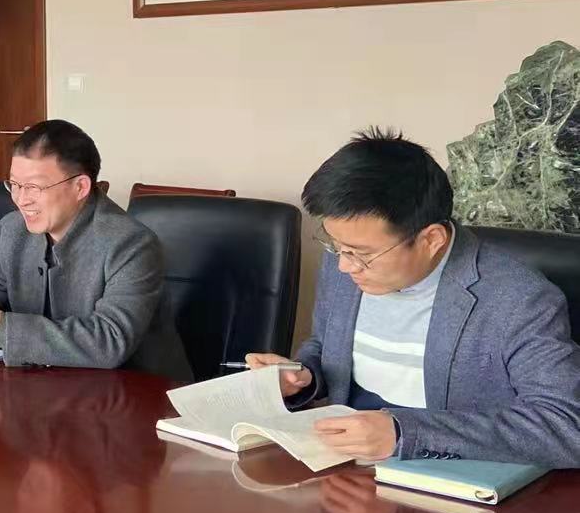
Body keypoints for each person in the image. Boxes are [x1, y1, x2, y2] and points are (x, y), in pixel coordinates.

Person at [248, 128, 580, 466]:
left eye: (362, 254)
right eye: (337, 246)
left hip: (443, 478)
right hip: (343, 464)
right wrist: (302, 376)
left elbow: (566, 427)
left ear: (431, 239)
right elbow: (325, 344)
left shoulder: (519, 299)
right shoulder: (344, 259)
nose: (345, 265)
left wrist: (404, 434)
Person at [0, 120, 190, 381]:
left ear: (80, 187)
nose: (21, 199)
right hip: (44, 384)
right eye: (14, 184)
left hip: (132, 389)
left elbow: (110, 341)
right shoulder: (12, 229)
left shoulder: (131, 244)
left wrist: (1, 328)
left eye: (34, 187)